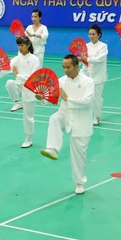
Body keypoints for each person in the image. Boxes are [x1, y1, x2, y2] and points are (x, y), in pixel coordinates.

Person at [39, 54, 95, 195]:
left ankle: (79, 183)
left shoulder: (88, 82)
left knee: (79, 155)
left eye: (68, 67)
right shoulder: (61, 81)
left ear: (76, 66)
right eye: (63, 67)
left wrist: (67, 98)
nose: (65, 70)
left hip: (82, 121)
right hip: (65, 114)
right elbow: (52, 97)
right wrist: (42, 98)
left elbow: (87, 101)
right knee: (54, 118)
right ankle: (53, 148)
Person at [0, 36, 40, 148]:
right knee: (9, 83)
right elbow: (8, 68)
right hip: (18, 85)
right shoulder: (16, 59)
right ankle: (17, 101)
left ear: (28, 45)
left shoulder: (34, 59)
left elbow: (33, 77)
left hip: (30, 89)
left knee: (28, 116)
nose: (20, 47)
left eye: (22, 45)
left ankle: (29, 138)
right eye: (18, 45)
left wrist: (18, 75)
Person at [82, 25, 108, 125]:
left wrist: (87, 59)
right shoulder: (86, 46)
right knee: (86, 96)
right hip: (87, 75)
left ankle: (97, 117)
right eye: (89, 34)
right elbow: (84, 63)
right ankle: (86, 115)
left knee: (97, 98)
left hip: (98, 77)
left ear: (99, 35)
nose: (91, 36)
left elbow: (99, 59)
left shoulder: (103, 46)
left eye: (93, 34)